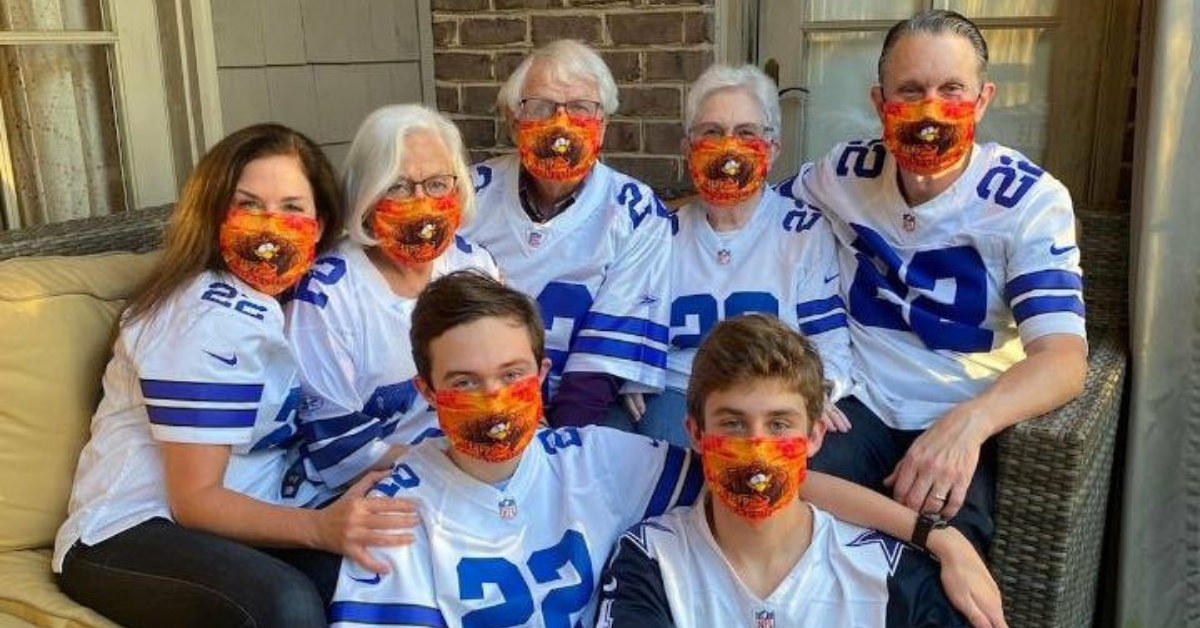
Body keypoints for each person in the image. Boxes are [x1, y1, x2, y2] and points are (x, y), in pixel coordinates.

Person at [326, 272, 1006, 628]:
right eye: (464, 383)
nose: (495, 400)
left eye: (511, 376)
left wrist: (939, 538)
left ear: (541, 377)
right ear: (427, 389)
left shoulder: (594, 458)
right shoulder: (396, 510)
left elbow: (768, 485)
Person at [53, 124, 416, 628]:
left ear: (320, 222)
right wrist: (320, 528)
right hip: (126, 532)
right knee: (286, 606)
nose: (271, 226)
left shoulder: (302, 300)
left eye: (292, 208)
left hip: (244, 519)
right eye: (249, 205)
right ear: (214, 213)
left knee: (391, 577)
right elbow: (194, 501)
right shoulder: (206, 314)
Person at [782, 9, 1088, 550]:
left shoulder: (1028, 201)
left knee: (935, 578)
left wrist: (970, 423)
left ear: (983, 100)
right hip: (858, 404)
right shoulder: (844, 171)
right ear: (880, 104)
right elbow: (754, 211)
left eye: (952, 89)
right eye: (910, 89)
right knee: (771, 514)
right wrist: (649, 217)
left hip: (960, 410)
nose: (930, 111)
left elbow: (1062, 359)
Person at [594, 315, 1008, 628]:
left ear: (815, 436)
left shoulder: (891, 573)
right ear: (696, 434)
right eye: (733, 424)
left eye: (778, 425)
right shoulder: (650, 559)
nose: (757, 450)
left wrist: (943, 542)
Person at [630, 62, 852, 445]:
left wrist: (820, 391)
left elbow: (829, 339)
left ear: (773, 149)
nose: (729, 148)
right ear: (688, 148)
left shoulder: (804, 232)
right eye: (711, 132)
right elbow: (633, 322)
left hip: (773, 400)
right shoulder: (658, 232)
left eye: (746, 133)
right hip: (683, 395)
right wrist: (632, 370)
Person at [463, 39, 674, 434]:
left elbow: (603, 358)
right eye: (540, 107)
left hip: (579, 407)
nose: (561, 123)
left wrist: (555, 445)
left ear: (604, 125)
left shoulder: (635, 211)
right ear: (513, 122)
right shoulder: (468, 196)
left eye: (580, 108)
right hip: (477, 399)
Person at [286, 104, 499, 492]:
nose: (421, 202)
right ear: (366, 193)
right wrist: (456, 467)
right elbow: (338, 446)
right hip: (374, 487)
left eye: (437, 183)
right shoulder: (325, 297)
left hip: (477, 467)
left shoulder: (475, 264)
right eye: (398, 186)